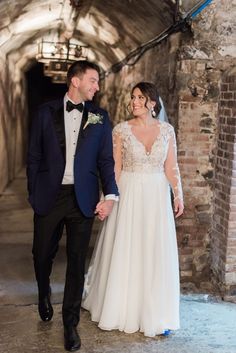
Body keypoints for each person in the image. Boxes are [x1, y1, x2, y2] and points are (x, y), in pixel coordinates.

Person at [26, 60, 119, 352]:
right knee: (42, 254)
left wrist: (111, 195)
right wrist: (33, 191)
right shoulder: (45, 113)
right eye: (93, 80)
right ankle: (43, 293)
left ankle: (70, 324)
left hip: (83, 198)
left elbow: (106, 160)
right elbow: (34, 156)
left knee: (77, 262)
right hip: (49, 196)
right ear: (75, 81)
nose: (97, 86)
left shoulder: (100, 117)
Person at [82, 81, 184, 337]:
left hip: (156, 196)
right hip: (129, 193)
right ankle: (122, 308)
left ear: (152, 103)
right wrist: (108, 198)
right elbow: (114, 168)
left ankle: (156, 312)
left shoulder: (167, 131)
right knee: (128, 247)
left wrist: (178, 194)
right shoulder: (121, 131)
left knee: (154, 249)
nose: (134, 102)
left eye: (140, 97)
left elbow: (171, 166)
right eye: (132, 97)